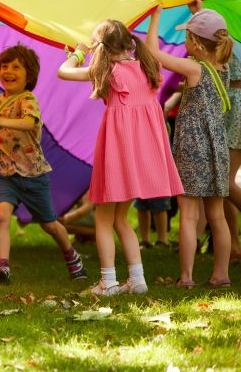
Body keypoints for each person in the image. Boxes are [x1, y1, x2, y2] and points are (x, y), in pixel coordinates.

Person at [59, 20, 184, 295]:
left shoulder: (106, 70)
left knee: (104, 219)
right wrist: (155, 16)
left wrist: (79, 51)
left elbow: (63, 72)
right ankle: (137, 280)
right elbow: (150, 46)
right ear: (129, 43)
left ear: (101, 48)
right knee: (121, 219)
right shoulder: (147, 68)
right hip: (140, 155)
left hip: (117, 154)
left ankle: (108, 281)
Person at [146, 5, 233, 288]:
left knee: (189, 213)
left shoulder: (193, 68)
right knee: (216, 215)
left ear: (195, 42)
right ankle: (221, 275)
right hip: (217, 147)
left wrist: (155, 17)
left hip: (193, 147)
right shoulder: (224, 68)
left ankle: (186, 277)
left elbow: (154, 54)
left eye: (187, 37)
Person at [0, 45, 87, 284]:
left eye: (16, 67)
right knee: (1, 215)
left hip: (32, 175)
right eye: (4, 66)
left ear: (29, 75)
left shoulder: (28, 99)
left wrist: (1, 120)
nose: (8, 71)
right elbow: (9, 132)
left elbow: (29, 123)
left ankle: (72, 257)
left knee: (50, 224)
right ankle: (3, 268)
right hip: (5, 174)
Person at [173, 0, 241, 262]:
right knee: (220, 184)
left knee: (224, 182)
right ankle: (230, 247)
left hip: (234, 101)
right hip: (219, 103)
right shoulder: (197, 6)